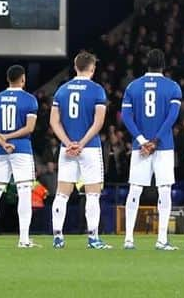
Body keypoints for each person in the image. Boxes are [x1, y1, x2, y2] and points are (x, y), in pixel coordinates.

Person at [121, 48, 182, 251]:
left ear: (146, 64)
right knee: (164, 190)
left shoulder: (133, 87)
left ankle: (129, 238)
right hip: (163, 146)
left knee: (135, 190)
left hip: (140, 147)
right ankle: (162, 239)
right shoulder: (172, 87)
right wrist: (155, 140)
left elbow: (126, 117)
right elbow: (172, 118)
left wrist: (141, 140)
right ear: (163, 65)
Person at [48, 50, 111, 250]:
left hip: (67, 150)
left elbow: (53, 121)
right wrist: (81, 143)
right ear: (92, 68)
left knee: (62, 194)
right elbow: (98, 121)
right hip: (89, 148)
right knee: (92, 194)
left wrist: (68, 142)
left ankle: (58, 236)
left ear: (76, 67)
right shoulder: (97, 90)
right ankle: (93, 238)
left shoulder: (62, 90)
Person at [0, 63, 39, 248]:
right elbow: (29, 128)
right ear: (23, 79)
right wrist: (8, 138)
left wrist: (1, 140)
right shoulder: (30, 100)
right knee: (24, 193)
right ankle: (23, 239)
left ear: (8, 79)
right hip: (21, 150)